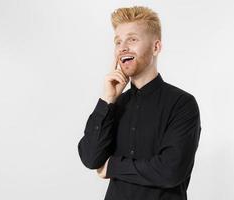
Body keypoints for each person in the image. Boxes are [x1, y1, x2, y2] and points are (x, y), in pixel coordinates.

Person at [78, 6, 202, 200]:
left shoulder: (182, 104)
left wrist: (113, 166)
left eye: (132, 39)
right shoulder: (115, 104)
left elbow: (170, 171)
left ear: (156, 47)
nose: (122, 47)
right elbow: (91, 158)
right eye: (118, 41)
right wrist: (107, 99)